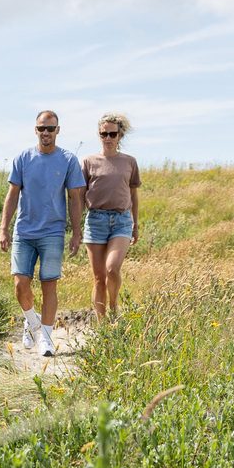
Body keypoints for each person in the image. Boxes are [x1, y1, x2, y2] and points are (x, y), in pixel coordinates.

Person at [0, 109, 85, 356]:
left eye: (50, 128)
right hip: (24, 231)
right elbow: (12, 195)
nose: (45, 133)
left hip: (53, 232)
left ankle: (45, 338)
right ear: (35, 130)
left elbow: (75, 198)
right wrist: (3, 228)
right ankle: (33, 321)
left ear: (58, 130)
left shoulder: (68, 160)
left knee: (49, 286)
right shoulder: (23, 158)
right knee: (19, 284)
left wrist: (76, 232)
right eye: (41, 128)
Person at [82, 112, 141, 320]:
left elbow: (133, 193)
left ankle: (114, 308)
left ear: (120, 136)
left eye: (112, 134)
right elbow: (79, 195)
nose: (107, 138)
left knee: (112, 269)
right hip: (96, 220)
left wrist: (135, 224)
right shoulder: (89, 161)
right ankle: (102, 324)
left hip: (122, 221)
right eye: (103, 134)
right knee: (98, 278)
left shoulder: (129, 162)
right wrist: (76, 227)